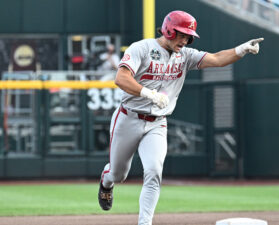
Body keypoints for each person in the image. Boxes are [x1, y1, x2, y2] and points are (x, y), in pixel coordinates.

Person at [97, 10, 263, 225]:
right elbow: (121, 78)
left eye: (188, 36)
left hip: (157, 123)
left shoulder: (185, 56)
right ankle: (106, 181)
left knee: (154, 171)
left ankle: (144, 223)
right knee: (119, 174)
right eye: (182, 34)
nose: (185, 40)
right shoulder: (142, 48)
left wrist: (240, 50)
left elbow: (216, 59)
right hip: (128, 118)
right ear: (168, 29)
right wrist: (148, 93)